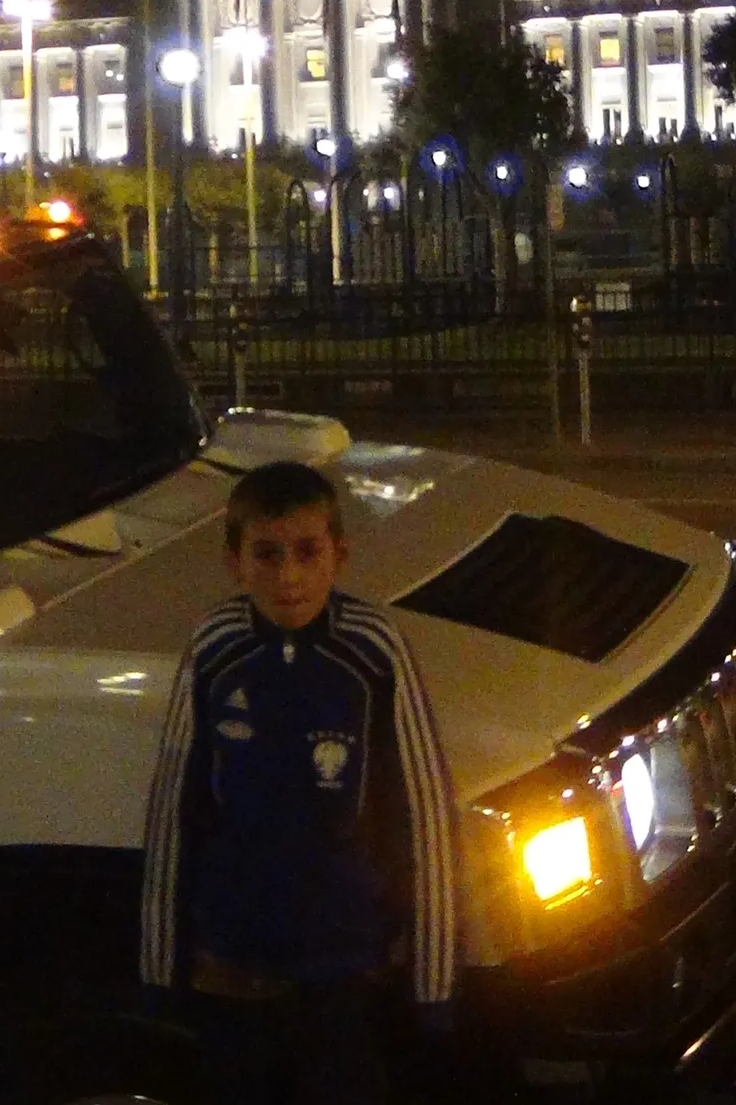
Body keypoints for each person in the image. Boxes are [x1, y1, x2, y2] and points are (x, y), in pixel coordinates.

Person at [140, 459, 457, 1105]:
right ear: (235, 561)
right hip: (233, 965)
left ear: (339, 554)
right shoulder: (214, 647)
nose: (288, 576)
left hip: (341, 966)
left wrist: (433, 984)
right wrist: (159, 965)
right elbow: (175, 806)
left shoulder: (373, 649)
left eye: (307, 552)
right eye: (266, 554)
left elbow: (425, 809)